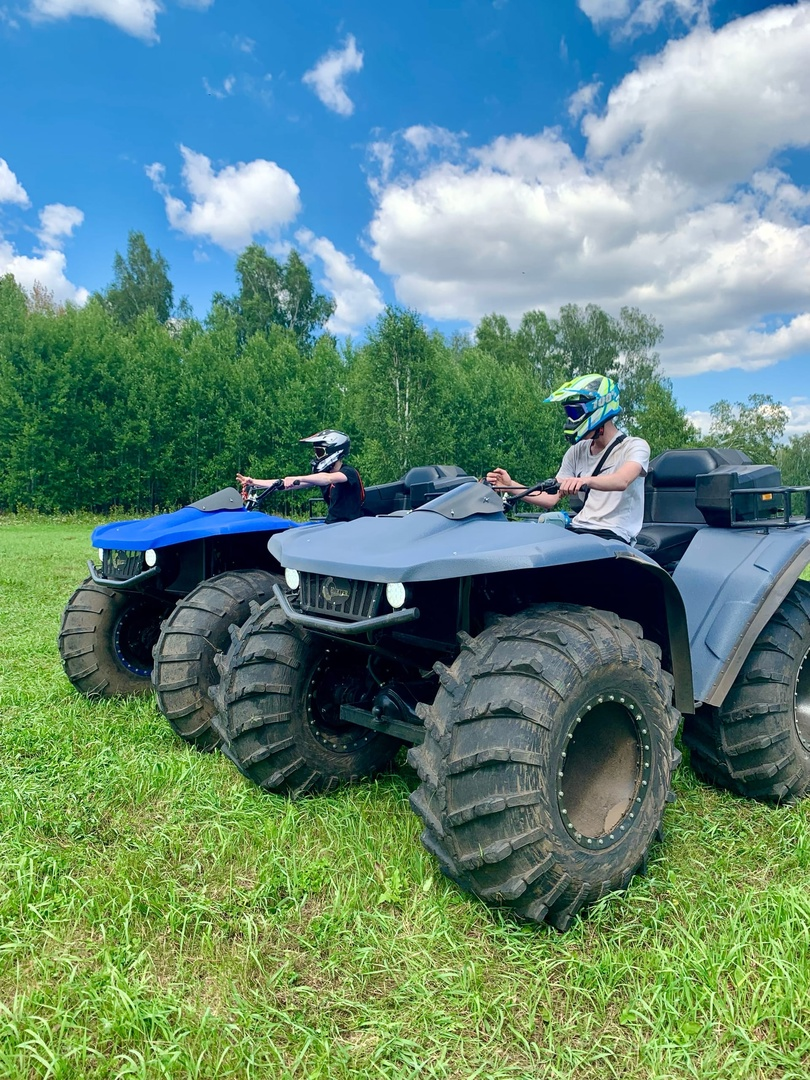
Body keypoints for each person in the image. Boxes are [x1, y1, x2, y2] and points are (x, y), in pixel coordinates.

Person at [486, 374, 650, 544]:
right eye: (569, 413)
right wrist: (510, 484)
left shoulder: (635, 446)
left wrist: (583, 481)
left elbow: (622, 480)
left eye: (575, 412)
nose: (571, 420)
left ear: (600, 406)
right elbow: (550, 498)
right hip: (579, 530)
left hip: (614, 536)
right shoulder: (577, 451)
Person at [236, 429, 364, 524]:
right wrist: (254, 482)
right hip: (332, 525)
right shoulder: (320, 477)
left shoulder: (348, 473)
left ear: (333, 452)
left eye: (319, 452)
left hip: (349, 528)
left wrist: (299, 478)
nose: (316, 457)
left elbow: (328, 478)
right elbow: (285, 484)